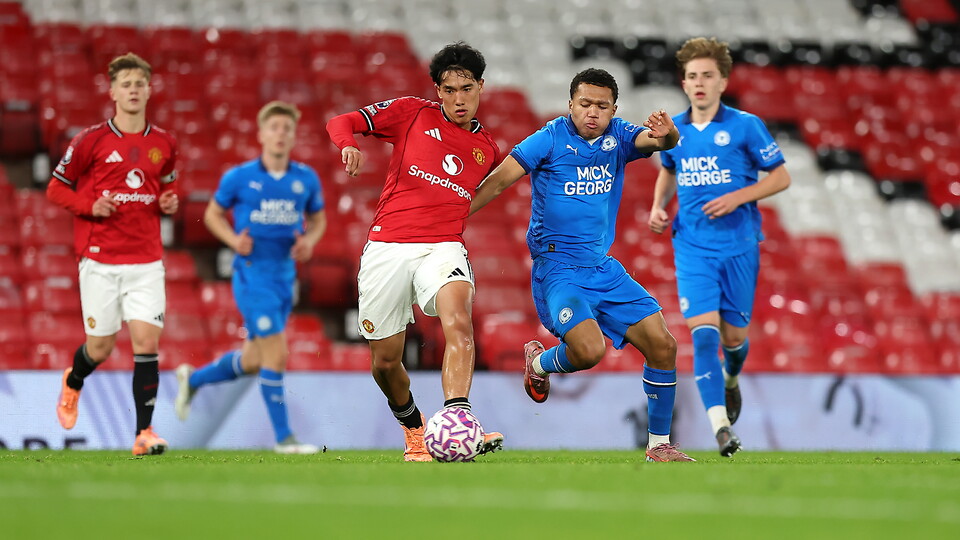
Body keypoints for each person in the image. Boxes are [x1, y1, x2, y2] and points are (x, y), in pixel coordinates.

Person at [470, 68, 694, 462]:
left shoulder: (619, 137)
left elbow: (660, 140)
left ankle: (658, 446)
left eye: (602, 106)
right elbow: (501, 179)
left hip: (602, 268)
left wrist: (669, 134)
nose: (593, 112)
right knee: (589, 351)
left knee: (663, 345)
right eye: (585, 103)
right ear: (570, 104)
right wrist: (451, 218)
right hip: (558, 269)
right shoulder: (549, 138)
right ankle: (539, 363)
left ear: (614, 110)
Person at [325, 42, 504, 462]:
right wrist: (348, 144)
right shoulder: (411, 112)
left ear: (481, 86)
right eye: (449, 90)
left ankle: (458, 421)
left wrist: (454, 219)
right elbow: (341, 121)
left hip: (443, 246)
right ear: (438, 90)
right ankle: (414, 428)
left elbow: (468, 197)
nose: (458, 99)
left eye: (467, 89)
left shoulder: (487, 150)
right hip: (387, 246)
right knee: (385, 362)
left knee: (458, 319)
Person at [648, 37, 791, 457]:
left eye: (707, 75)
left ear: (723, 81)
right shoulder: (674, 131)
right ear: (683, 82)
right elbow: (668, 169)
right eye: (692, 76)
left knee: (734, 340)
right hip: (692, 246)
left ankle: (731, 379)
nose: (699, 83)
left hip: (739, 246)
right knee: (704, 336)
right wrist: (658, 205)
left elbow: (780, 176)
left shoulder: (746, 126)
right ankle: (721, 428)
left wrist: (738, 197)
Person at [174, 101, 326, 455]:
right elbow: (212, 215)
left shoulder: (305, 179)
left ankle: (193, 379)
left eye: (286, 128)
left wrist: (310, 241)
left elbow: (319, 220)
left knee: (254, 361)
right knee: (277, 353)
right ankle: (285, 439)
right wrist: (232, 240)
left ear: (293, 136)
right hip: (252, 275)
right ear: (261, 134)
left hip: (284, 276)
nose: (280, 134)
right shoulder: (239, 177)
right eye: (274, 127)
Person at [47, 52, 179, 456]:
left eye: (139, 83)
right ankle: (74, 381)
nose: (133, 90)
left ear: (149, 90)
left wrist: (169, 201)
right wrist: (89, 205)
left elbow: (167, 188)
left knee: (146, 342)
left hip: (146, 260)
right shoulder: (90, 140)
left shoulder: (165, 143)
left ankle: (144, 433)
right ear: (113, 92)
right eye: (126, 84)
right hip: (100, 260)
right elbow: (56, 188)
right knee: (100, 349)